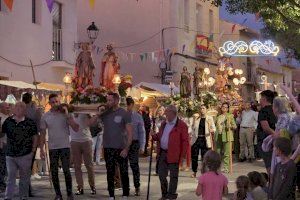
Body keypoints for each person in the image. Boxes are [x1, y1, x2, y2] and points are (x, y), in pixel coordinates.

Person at [40, 94, 79, 200]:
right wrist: (42, 149)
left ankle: (69, 194)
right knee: (54, 171)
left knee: (66, 170)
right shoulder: (45, 116)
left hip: (65, 146)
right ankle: (58, 194)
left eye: (57, 101)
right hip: (53, 147)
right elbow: (43, 133)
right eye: (53, 102)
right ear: (49, 103)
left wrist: (67, 115)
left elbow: (76, 128)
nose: (55, 104)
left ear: (60, 101)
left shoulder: (66, 114)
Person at [151, 105, 189, 200]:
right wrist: (154, 136)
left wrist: (183, 156)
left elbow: (185, 142)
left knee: (173, 176)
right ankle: (164, 194)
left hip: (174, 154)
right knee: (161, 175)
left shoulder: (181, 125)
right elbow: (160, 135)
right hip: (163, 153)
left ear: (173, 113)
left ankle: (171, 195)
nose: (165, 114)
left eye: (167, 112)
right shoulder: (164, 123)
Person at [2, 102, 38, 200]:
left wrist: (33, 150)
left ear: (25, 110)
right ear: (14, 109)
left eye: (21, 107)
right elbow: (2, 134)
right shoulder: (8, 121)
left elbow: (35, 136)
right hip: (10, 154)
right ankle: (8, 197)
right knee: (10, 177)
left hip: (25, 154)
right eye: (17, 107)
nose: (18, 109)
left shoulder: (30, 122)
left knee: (24, 178)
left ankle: (23, 197)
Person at [100, 92, 133, 200]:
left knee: (123, 171)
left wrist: (126, 148)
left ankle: (125, 194)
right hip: (108, 147)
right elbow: (91, 124)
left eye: (110, 100)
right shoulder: (105, 113)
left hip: (120, 147)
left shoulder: (124, 113)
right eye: (107, 100)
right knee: (110, 172)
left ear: (117, 101)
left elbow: (130, 133)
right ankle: (111, 195)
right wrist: (98, 114)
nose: (108, 102)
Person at [70, 113, 97, 195]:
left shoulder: (85, 112)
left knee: (89, 165)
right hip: (75, 141)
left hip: (86, 140)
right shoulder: (69, 114)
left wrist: (93, 115)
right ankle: (80, 187)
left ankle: (92, 186)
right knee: (77, 166)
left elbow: (91, 123)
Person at [22, 92, 43, 197]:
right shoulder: (36, 111)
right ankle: (27, 188)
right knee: (28, 166)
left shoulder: (19, 110)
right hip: (31, 141)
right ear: (31, 99)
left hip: (20, 140)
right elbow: (39, 128)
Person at [126, 97, 145, 196]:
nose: (127, 107)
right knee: (123, 166)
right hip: (123, 144)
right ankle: (126, 188)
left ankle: (137, 186)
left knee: (134, 166)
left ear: (132, 105)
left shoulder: (138, 116)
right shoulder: (122, 116)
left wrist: (142, 146)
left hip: (134, 143)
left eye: (128, 105)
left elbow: (142, 132)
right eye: (125, 105)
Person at [191, 104, 216, 178]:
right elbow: (193, 128)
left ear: (206, 110)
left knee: (204, 157)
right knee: (194, 156)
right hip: (196, 139)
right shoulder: (196, 118)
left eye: (203, 108)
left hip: (205, 139)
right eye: (201, 108)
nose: (202, 110)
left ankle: (204, 172)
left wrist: (212, 130)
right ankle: (194, 171)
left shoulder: (209, 118)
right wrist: (194, 121)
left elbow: (214, 128)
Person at [256, 90, 277, 175]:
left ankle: (272, 183)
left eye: (261, 98)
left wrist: (275, 135)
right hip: (275, 141)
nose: (259, 100)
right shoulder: (275, 109)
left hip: (266, 141)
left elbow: (266, 127)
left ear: (264, 99)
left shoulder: (263, 111)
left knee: (269, 165)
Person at [215, 102, 237, 173]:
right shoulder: (218, 116)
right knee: (217, 153)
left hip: (227, 136)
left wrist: (230, 126)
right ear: (221, 108)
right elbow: (214, 125)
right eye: (223, 107)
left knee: (226, 153)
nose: (224, 108)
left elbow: (235, 126)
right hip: (219, 135)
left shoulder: (230, 116)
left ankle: (226, 167)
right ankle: (217, 167)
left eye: (226, 107)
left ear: (228, 109)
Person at [0, 102, 10, 192]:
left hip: (8, 144)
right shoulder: (0, 117)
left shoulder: (9, 117)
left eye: (8, 107)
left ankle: (3, 183)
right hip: (2, 144)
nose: (8, 108)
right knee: (2, 165)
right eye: (6, 107)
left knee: (6, 166)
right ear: (1, 108)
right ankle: (2, 184)